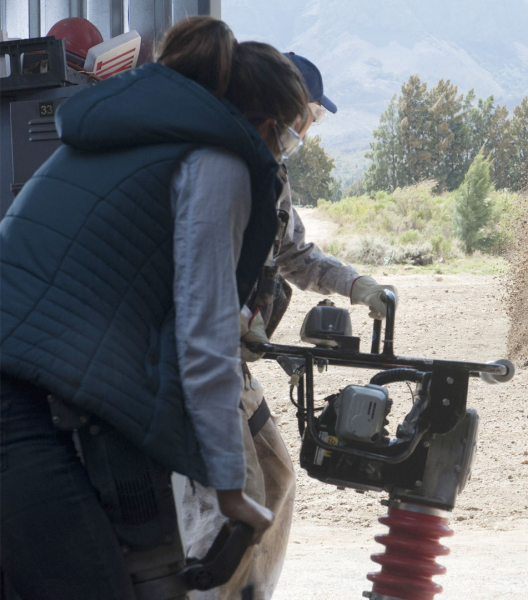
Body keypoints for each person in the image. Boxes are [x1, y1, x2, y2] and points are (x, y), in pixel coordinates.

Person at [0, 17, 309, 599]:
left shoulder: (127, 134)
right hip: (20, 405)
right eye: (288, 139)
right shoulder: (217, 163)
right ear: (266, 127)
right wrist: (231, 488)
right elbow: (203, 337)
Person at [179, 52, 397, 600]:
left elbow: (295, 254)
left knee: (277, 479)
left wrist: (356, 284)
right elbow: (193, 273)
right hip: (200, 359)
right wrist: (236, 322)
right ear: (283, 112)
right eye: (309, 118)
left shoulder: (271, 178)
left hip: (234, 361)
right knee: (237, 503)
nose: (308, 131)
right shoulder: (219, 170)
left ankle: (250, 592)